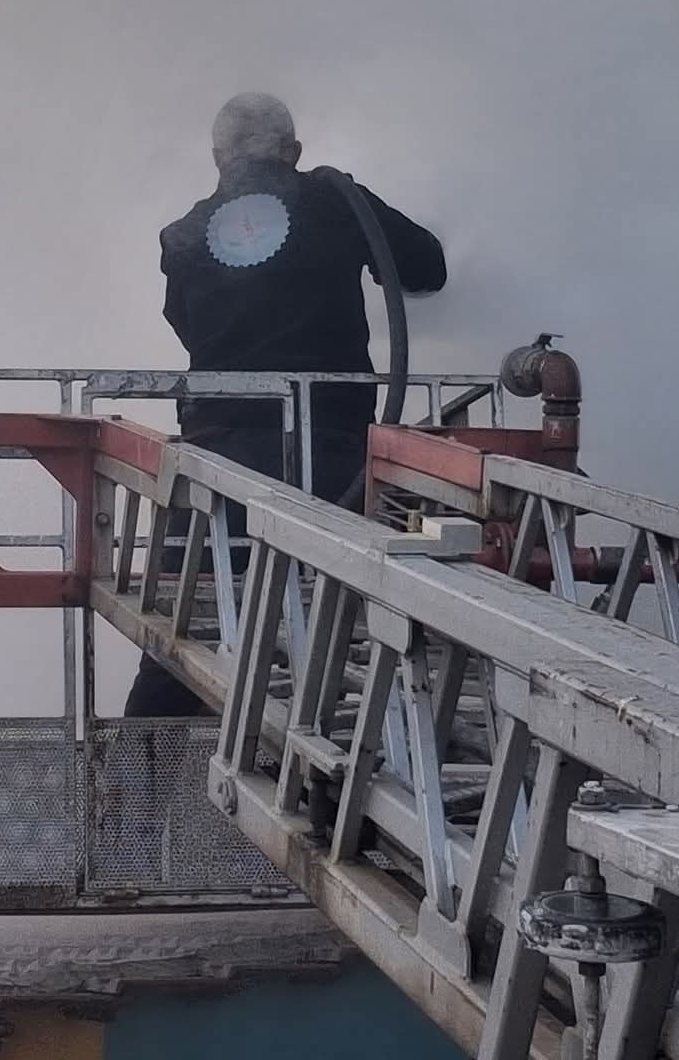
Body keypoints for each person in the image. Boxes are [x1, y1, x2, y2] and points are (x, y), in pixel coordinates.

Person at [125, 92, 447, 718]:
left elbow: (186, 325)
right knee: (343, 624)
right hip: (330, 459)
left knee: (178, 629)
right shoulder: (335, 202)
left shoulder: (184, 234)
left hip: (216, 458)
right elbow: (425, 267)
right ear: (294, 152)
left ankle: (131, 800)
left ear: (218, 157)